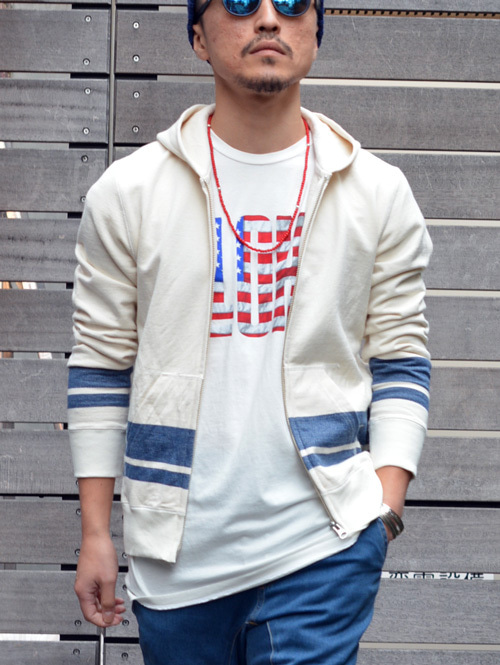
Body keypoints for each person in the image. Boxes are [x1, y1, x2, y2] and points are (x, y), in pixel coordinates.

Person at [68, 0, 432, 662]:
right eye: (240, 1)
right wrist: (96, 531)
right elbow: (100, 364)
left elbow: (402, 356)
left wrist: (385, 506)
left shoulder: (376, 192)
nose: (268, 18)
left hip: (323, 548)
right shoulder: (128, 194)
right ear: (198, 37)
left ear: (315, 29)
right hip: (178, 563)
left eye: (291, 3)